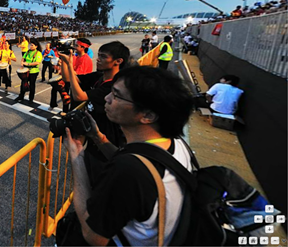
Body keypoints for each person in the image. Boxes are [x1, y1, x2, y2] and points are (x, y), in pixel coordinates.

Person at [61, 66, 195, 246]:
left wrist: (77, 154)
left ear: (147, 115)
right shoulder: (176, 144)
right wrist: (98, 137)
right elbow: (137, 160)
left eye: (116, 95)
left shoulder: (128, 171)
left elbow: (94, 236)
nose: (107, 99)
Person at [60, 41, 129, 173]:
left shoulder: (114, 85)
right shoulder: (99, 77)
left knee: (101, 176)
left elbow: (79, 96)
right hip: (94, 138)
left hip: (108, 142)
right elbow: (68, 78)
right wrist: (64, 61)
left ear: (118, 61)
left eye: (103, 56)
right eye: (99, 55)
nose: (98, 59)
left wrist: (70, 65)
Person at [16, 38, 42, 103]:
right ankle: (21, 96)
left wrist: (28, 64)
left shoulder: (38, 53)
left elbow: (37, 62)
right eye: (30, 45)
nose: (30, 46)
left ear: (36, 46)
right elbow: (23, 58)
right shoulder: (28, 51)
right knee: (23, 83)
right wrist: (22, 63)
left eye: (32, 45)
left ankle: (31, 98)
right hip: (26, 70)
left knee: (32, 85)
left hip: (33, 71)